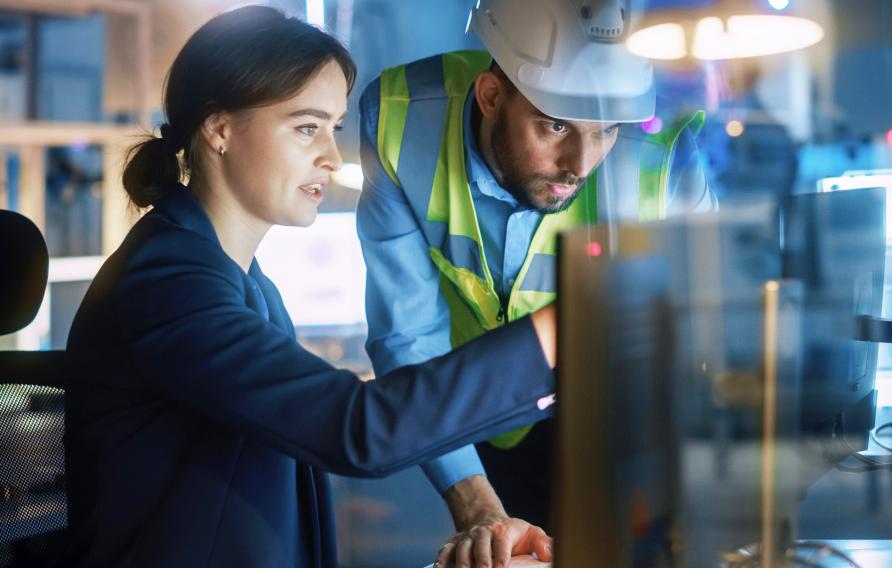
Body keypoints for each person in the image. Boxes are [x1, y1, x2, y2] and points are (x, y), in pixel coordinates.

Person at [61, 6, 558, 567]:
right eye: (306, 127)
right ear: (220, 128)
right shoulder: (169, 282)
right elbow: (358, 429)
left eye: (335, 128)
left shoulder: (241, 279)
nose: (332, 156)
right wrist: (552, 337)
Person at [356, 0, 717, 551]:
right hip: (460, 406)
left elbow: (706, 327)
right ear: (491, 96)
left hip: (612, 412)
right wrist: (476, 505)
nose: (582, 162)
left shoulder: (666, 146)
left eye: (607, 131)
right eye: (555, 125)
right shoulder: (400, 118)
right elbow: (407, 334)